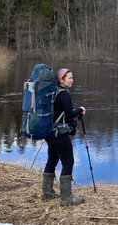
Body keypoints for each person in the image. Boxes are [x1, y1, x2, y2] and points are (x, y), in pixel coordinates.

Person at [41, 68, 86, 206]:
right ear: (61, 80)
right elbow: (68, 114)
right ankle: (66, 198)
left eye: (72, 77)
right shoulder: (64, 94)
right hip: (59, 134)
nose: (72, 80)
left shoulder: (52, 92)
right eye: (69, 78)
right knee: (68, 162)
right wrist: (80, 110)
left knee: (52, 160)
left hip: (49, 133)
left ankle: (47, 193)